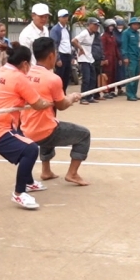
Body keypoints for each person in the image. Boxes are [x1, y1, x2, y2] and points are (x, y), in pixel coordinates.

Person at [0, 45, 53, 209]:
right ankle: (19, 193)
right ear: (26, 64)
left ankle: (28, 182)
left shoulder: (3, 70)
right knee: (31, 149)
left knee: (25, 138)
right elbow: (38, 104)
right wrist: (55, 101)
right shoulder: (19, 78)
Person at [26, 37, 90, 185]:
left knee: (50, 121)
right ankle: (72, 174)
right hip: (43, 131)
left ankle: (46, 171)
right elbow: (61, 105)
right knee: (84, 135)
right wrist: (72, 97)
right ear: (51, 55)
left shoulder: (26, 74)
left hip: (26, 127)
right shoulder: (53, 79)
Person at [49, 9, 76, 92]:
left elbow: (69, 43)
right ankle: (58, 94)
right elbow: (54, 44)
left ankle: (63, 93)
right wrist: (57, 58)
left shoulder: (67, 29)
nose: (66, 18)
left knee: (66, 77)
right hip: (61, 55)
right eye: (63, 17)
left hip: (67, 55)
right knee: (59, 76)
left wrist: (72, 56)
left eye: (67, 16)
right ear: (59, 18)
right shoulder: (55, 29)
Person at [75, 17, 99, 104]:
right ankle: (83, 98)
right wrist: (80, 49)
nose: (96, 27)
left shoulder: (93, 34)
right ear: (89, 25)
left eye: (97, 25)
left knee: (93, 78)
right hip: (83, 59)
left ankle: (90, 96)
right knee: (86, 79)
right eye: (95, 25)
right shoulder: (84, 33)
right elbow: (74, 41)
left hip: (90, 58)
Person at [121, 16, 140, 101]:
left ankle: (134, 93)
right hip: (130, 57)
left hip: (136, 57)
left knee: (136, 76)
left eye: (138, 24)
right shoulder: (126, 33)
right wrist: (125, 57)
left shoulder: (137, 34)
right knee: (130, 76)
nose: (136, 26)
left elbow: (138, 46)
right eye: (135, 24)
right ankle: (130, 94)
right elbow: (124, 46)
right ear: (131, 25)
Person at [100, 19, 120, 99]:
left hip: (113, 59)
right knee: (107, 75)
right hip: (107, 59)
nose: (111, 28)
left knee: (113, 75)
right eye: (110, 26)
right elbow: (102, 48)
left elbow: (115, 48)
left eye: (112, 26)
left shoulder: (113, 37)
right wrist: (104, 59)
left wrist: (119, 58)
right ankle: (106, 91)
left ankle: (112, 90)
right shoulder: (103, 37)